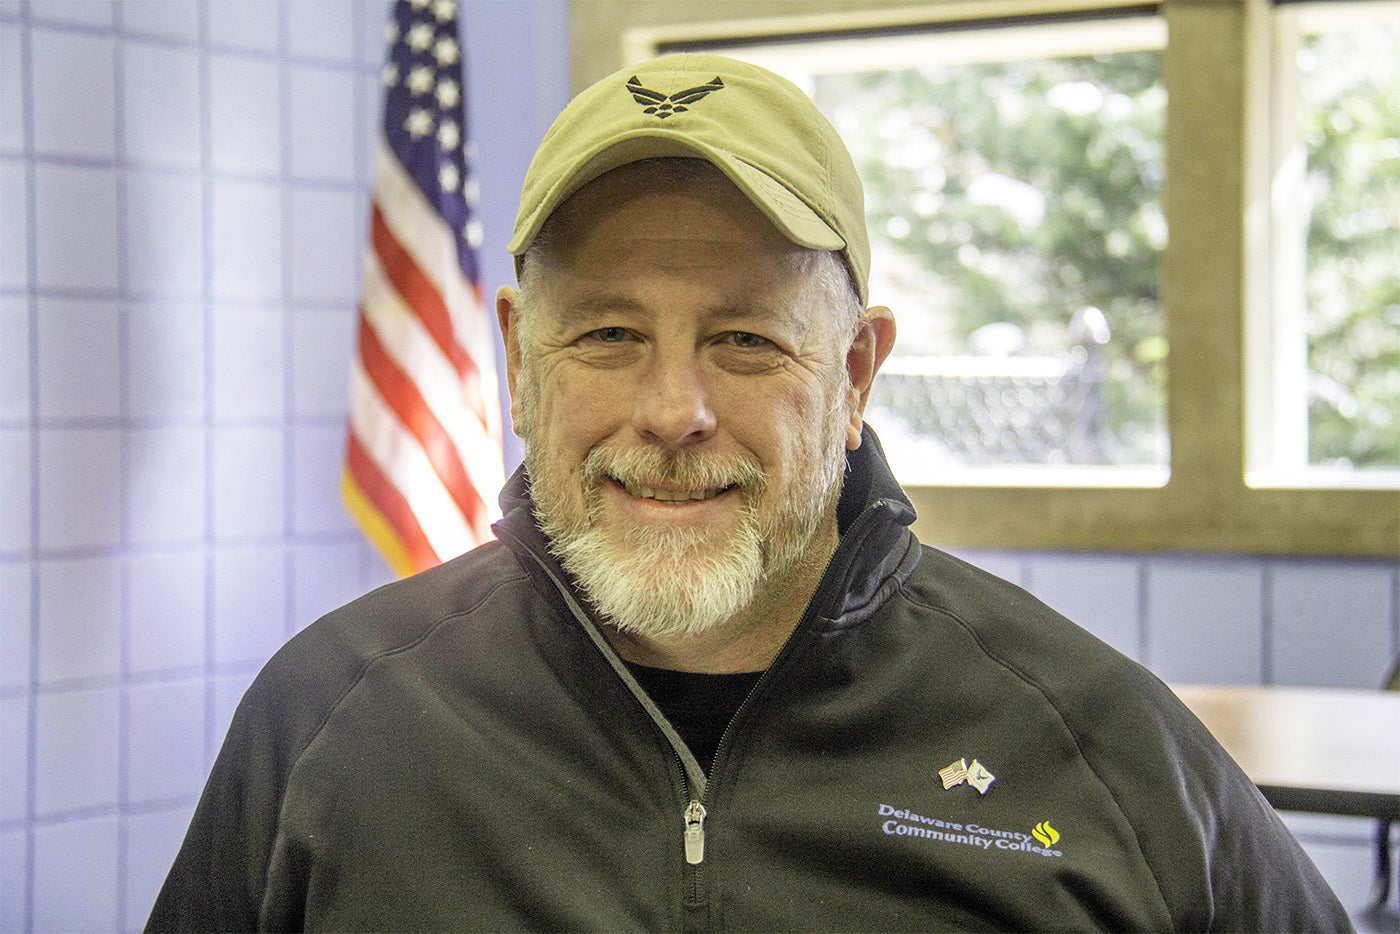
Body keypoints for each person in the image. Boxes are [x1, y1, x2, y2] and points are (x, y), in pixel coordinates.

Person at [147, 53, 1351, 932]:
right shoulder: (326, 724)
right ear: (517, 362)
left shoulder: (1101, 753)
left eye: (745, 342)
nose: (672, 410)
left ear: (856, 370)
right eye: (608, 334)